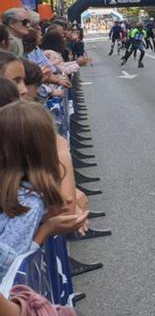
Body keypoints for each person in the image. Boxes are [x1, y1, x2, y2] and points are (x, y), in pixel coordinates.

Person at [0, 101, 88, 275]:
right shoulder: (27, 202)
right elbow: (9, 267)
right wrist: (46, 229)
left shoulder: (11, 191)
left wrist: (45, 216)